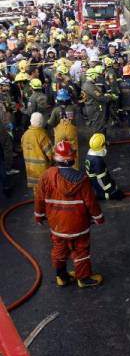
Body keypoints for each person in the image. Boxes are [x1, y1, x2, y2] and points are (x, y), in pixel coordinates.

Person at [34, 140, 104, 288]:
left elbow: (39, 198)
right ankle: (83, 279)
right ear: (69, 159)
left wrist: (39, 215)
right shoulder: (81, 179)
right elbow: (90, 202)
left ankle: (62, 276)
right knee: (81, 250)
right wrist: (99, 217)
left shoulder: (46, 176)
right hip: (78, 225)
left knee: (59, 249)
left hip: (57, 225)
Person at [85, 133, 122, 200]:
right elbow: (101, 179)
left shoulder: (90, 155)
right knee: (113, 193)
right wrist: (112, 191)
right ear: (101, 146)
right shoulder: (97, 161)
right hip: (100, 188)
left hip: (94, 184)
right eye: (104, 143)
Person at [81, 65, 116, 136]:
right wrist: (110, 97)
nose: (97, 78)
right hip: (95, 108)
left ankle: (102, 141)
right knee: (98, 127)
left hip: (92, 107)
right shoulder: (89, 86)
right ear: (92, 76)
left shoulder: (88, 85)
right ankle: (100, 143)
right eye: (96, 76)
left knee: (99, 125)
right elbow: (99, 97)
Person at [48, 88, 79, 166]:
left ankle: (60, 167)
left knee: (59, 149)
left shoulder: (56, 110)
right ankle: (75, 167)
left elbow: (51, 123)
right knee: (73, 149)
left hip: (59, 132)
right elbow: (76, 120)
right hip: (71, 131)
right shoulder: (73, 108)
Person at [21, 112, 52, 189]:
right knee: (44, 188)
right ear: (41, 122)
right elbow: (50, 153)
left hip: (30, 168)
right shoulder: (42, 135)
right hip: (42, 169)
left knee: (36, 189)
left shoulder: (25, 135)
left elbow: (23, 148)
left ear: (31, 121)